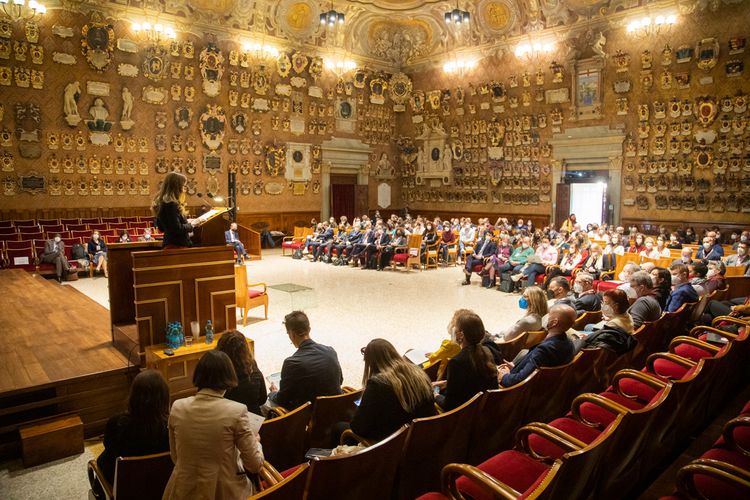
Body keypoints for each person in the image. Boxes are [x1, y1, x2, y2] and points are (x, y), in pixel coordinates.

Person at [163, 351, 264, 500]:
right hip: (224, 492)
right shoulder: (237, 411)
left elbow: (176, 457)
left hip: (183, 492)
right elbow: (254, 465)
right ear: (229, 376)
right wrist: (256, 443)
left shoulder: (177, 407)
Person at [338, 339, 436, 445]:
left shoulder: (378, 384)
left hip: (390, 443)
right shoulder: (418, 373)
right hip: (418, 438)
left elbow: (358, 428)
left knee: (339, 427)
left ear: (371, 363)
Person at [91, 370, 170, 497]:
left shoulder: (116, 424)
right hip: (160, 491)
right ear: (165, 397)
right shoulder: (171, 427)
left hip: (123, 491)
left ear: (133, 396)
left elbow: (108, 447)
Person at [266, 311, 343, 411]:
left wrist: (272, 393)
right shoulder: (330, 351)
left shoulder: (291, 363)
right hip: (336, 409)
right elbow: (340, 380)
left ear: (292, 334)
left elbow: (281, 400)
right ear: (309, 329)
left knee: (265, 404)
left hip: (310, 417)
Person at [498, 304, 577, 387]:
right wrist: (516, 367)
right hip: (548, 387)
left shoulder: (545, 350)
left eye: (549, 314)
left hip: (523, 392)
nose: (546, 317)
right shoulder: (569, 344)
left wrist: (504, 376)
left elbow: (519, 381)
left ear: (554, 322)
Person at [434, 311, 498, 411]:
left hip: (462, 417)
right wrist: (447, 382)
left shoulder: (456, 362)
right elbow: (474, 383)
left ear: (461, 334)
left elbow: (449, 405)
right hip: (483, 411)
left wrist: (435, 395)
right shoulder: (486, 352)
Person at [216, 331, 266, 416]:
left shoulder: (217, 374)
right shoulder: (252, 366)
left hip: (228, 423)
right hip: (255, 422)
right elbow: (262, 399)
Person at [152, 172, 199, 248]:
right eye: (183, 186)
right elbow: (177, 229)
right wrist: (193, 224)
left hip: (170, 244)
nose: (184, 190)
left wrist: (186, 222)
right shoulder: (171, 204)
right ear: (176, 187)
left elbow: (162, 227)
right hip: (177, 246)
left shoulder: (162, 202)